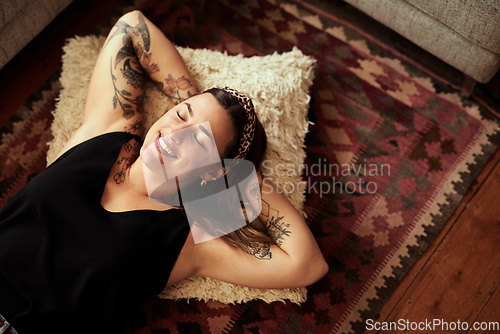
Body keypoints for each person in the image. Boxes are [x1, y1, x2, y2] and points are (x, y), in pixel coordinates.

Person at [0, 10, 328, 334]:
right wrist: (190, 103)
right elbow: (131, 25)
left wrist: (244, 174)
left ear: (214, 172)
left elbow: (307, 264)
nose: (174, 133)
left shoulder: (189, 238)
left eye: (199, 141)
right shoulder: (111, 131)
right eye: (180, 116)